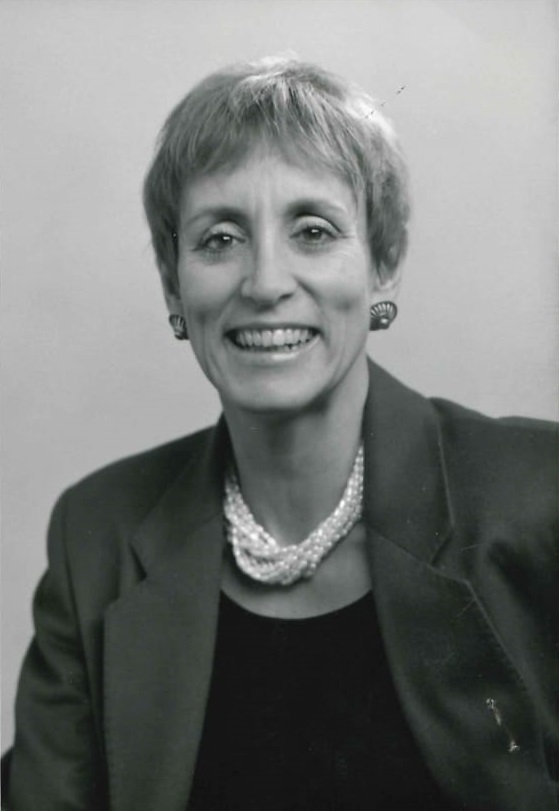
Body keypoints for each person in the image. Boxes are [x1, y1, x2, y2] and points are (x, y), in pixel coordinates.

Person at [4, 57, 557, 811]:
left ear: (384, 263)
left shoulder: (540, 496)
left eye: (313, 231)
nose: (264, 282)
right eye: (220, 238)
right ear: (173, 283)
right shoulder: (97, 535)